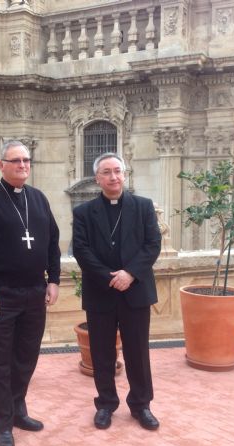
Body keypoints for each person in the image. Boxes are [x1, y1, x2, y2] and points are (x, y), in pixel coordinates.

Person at [0, 140, 60, 446]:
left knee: (25, 358)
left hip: (34, 292)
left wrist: (54, 280)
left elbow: (53, 243)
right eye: (15, 160)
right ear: (1, 164)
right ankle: (3, 424)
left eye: (26, 160)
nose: (22, 165)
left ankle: (18, 410)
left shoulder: (39, 199)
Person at [72, 152, 161, 431]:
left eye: (117, 171)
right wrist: (109, 277)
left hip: (135, 290)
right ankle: (106, 404)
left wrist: (130, 273)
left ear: (125, 175)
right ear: (97, 178)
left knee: (138, 351)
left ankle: (141, 405)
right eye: (107, 172)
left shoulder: (143, 207)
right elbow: (81, 250)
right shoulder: (84, 212)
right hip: (101, 292)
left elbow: (152, 244)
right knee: (101, 353)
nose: (113, 177)